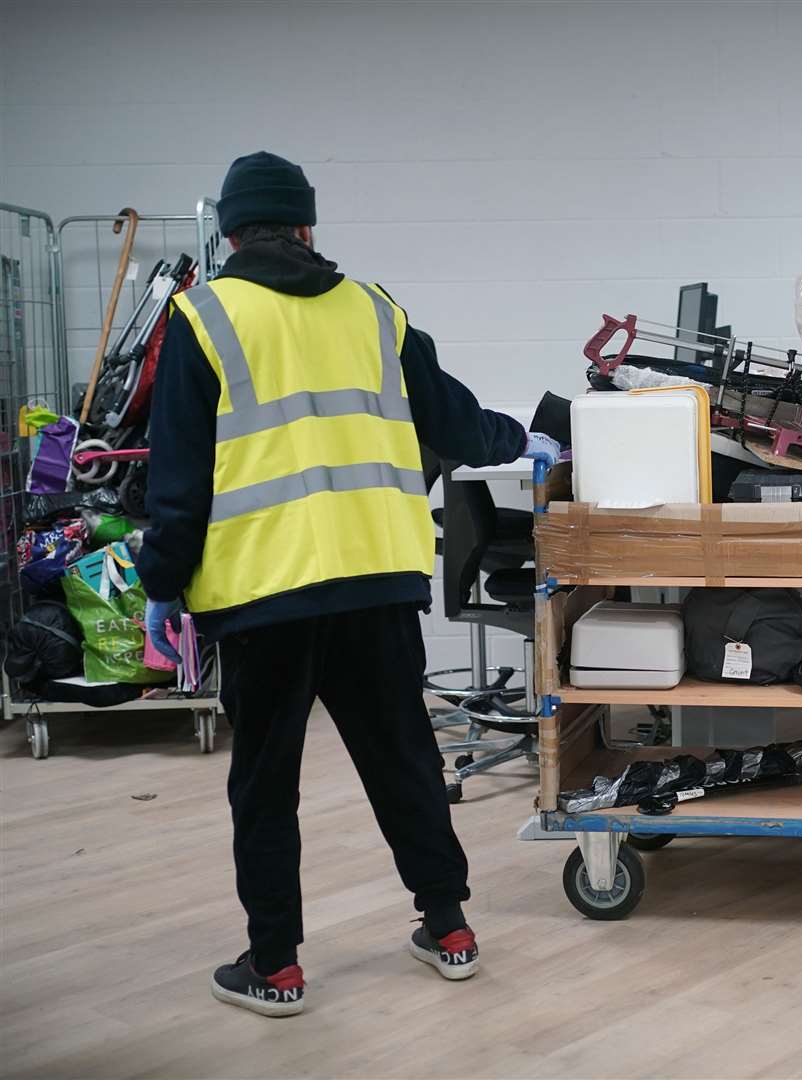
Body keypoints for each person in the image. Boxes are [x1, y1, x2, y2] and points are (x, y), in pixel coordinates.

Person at [137, 151, 561, 1016]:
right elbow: (451, 416)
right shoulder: (372, 309)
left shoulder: (202, 316)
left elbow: (178, 478)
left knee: (265, 783)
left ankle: (276, 967)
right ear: (307, 227)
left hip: (261, 597)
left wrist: (161, 584)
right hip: (376, 584)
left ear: (227, 233)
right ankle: (448, 929)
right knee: (403, 757)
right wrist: (525, 442)